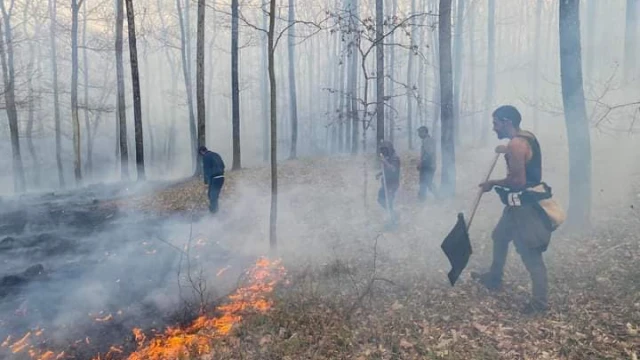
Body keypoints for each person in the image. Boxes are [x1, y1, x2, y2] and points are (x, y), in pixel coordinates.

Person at [472, 105, 556, 315]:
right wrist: (505, 151)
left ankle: (539, 303)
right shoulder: (523, 139)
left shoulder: (517, 144)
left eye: (496, 123)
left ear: (507, 121)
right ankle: (494, 277)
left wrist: (493, 183)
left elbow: (518, 181)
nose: (494, 128)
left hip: (525, 208)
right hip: (517, 205)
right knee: (499, 236)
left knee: (530, 254)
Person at [376, 141, 401, 227]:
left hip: (392, 184)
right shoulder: (388, 157)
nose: (383, 152)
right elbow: (386, 170)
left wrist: (385, 162)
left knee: (388, 202)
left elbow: (393, 169)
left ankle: (393, 224)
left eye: (385, 150)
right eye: (382, 150)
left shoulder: (395, 158)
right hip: (386, 183)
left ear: (389, 149)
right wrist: (379, 174)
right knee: (380, 199)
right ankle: (394, 214)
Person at [199, 146, 225, 214]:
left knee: (212, 196)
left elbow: (206, 170)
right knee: (213, 195)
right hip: (221, 177)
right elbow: (223, 165)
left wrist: (206, 182)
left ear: (202, 152)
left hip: (214, 178)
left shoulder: (206, 157)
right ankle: (215, 211)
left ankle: (214, 213)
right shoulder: (216, 154)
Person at [417, 126, 436, 202]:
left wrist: (421, 162)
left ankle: (438, 196)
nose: (419, 134)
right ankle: (422, 198)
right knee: (424, 182)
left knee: (427, 182)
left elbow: (429, 154)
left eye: (420, 132)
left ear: (425, 132)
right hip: (427, 165)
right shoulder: (426, 140)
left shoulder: (428, 141)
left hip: (428, 165)